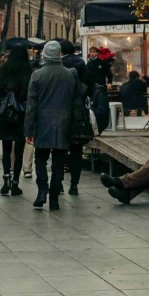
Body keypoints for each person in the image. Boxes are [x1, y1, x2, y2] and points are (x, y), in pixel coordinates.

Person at [24, 41, 83, 211]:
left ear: (44, 55)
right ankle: (55, 197)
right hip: (65, 122)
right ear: (59, 55)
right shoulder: (70, 74)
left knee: (40, 158)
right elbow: (76, 102)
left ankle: (42, 191)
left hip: (43, 123)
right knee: (58, 160)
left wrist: (28, 129)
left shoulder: (37, 75)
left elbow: (31, 105)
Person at [0, 45, 31, 197]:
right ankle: (16, 182)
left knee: (6, 149)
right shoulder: (28, 72)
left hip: (5, 114)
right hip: (21, 115)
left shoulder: (3, 70)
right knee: (19, 149)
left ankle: (6, 180)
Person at [60, 40, 94, 194]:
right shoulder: (82, 65)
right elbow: (91, 86)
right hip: (78, 112)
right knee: (76, 149)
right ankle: (74, 184)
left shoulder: (60, 65)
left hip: (61, 110)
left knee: (59, 149)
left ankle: (58, 181)